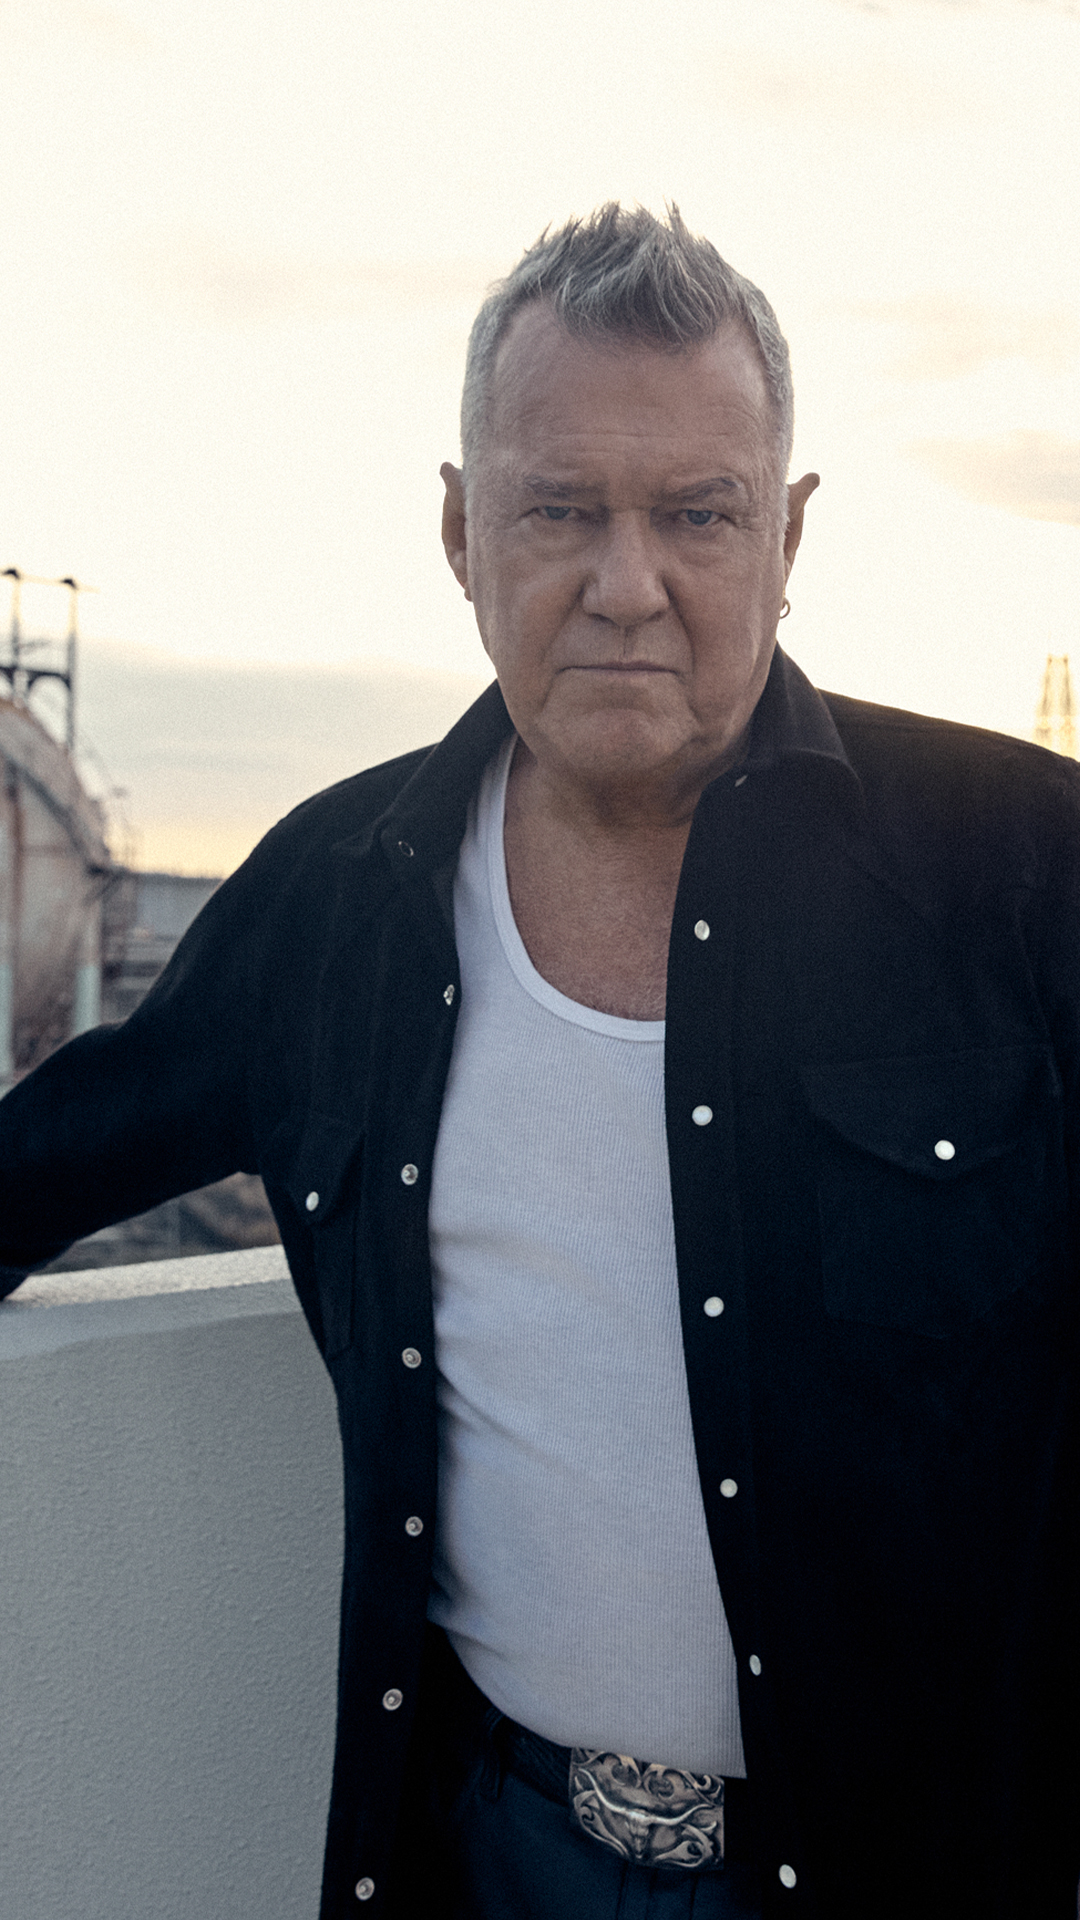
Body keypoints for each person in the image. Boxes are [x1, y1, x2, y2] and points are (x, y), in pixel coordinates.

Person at [1, 204, 1078, 1920]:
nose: (625, 581)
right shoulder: (337, 899)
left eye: (697, 515)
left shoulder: (1022, 865)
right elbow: (43, 1161)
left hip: (927, 1867)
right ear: (459, 527)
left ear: (789, 535)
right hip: (497, 1855)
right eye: (560, 508)